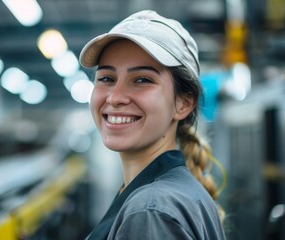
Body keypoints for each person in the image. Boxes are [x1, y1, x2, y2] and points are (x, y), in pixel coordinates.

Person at [79, 10, 226, 239]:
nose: (115, 97)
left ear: (183, 103)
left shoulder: (150, 211)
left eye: (142, 80)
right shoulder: (168, 194)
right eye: (106, 78)